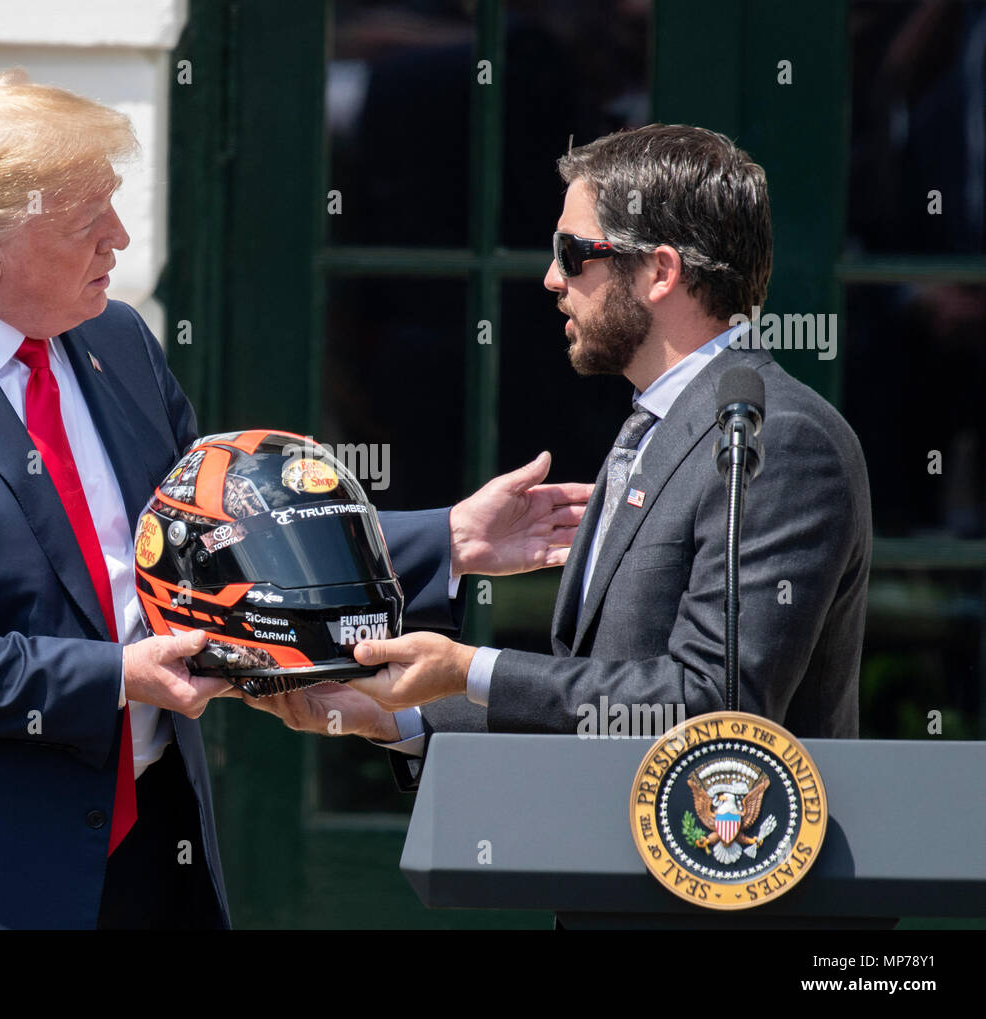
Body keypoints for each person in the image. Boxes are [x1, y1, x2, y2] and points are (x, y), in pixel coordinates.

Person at [0, 70, 590, 929]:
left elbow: (209, 541)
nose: (118, 237)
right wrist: (117, 675)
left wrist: (447, 538)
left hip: (142, 850)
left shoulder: (112, 337)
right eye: (86, 222)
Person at [247, 124, 872, 782]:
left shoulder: (778, 436)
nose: (550, 278)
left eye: (572, 254)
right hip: (612, 866)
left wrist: (471, 669)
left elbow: (712, 705)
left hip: (716, 871)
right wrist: (394, 718)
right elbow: (593, 702)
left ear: (661, 271)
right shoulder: (655, 423)